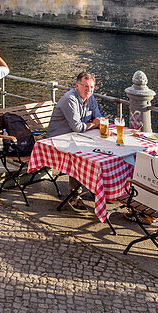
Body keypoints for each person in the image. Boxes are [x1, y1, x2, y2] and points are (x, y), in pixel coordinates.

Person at [44, 70, 101, 212]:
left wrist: (95, 122)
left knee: (101, 153)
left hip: (76, 137)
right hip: (56, 141)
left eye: (92, 87)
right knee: (80, 156)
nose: (89, 90)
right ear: (77, 85)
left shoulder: (90, 98)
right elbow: (78, 127)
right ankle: (74, 195)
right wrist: (94, 124)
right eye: (86, 86)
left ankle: (97, 189)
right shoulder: (70, 99)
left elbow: (98, 117)